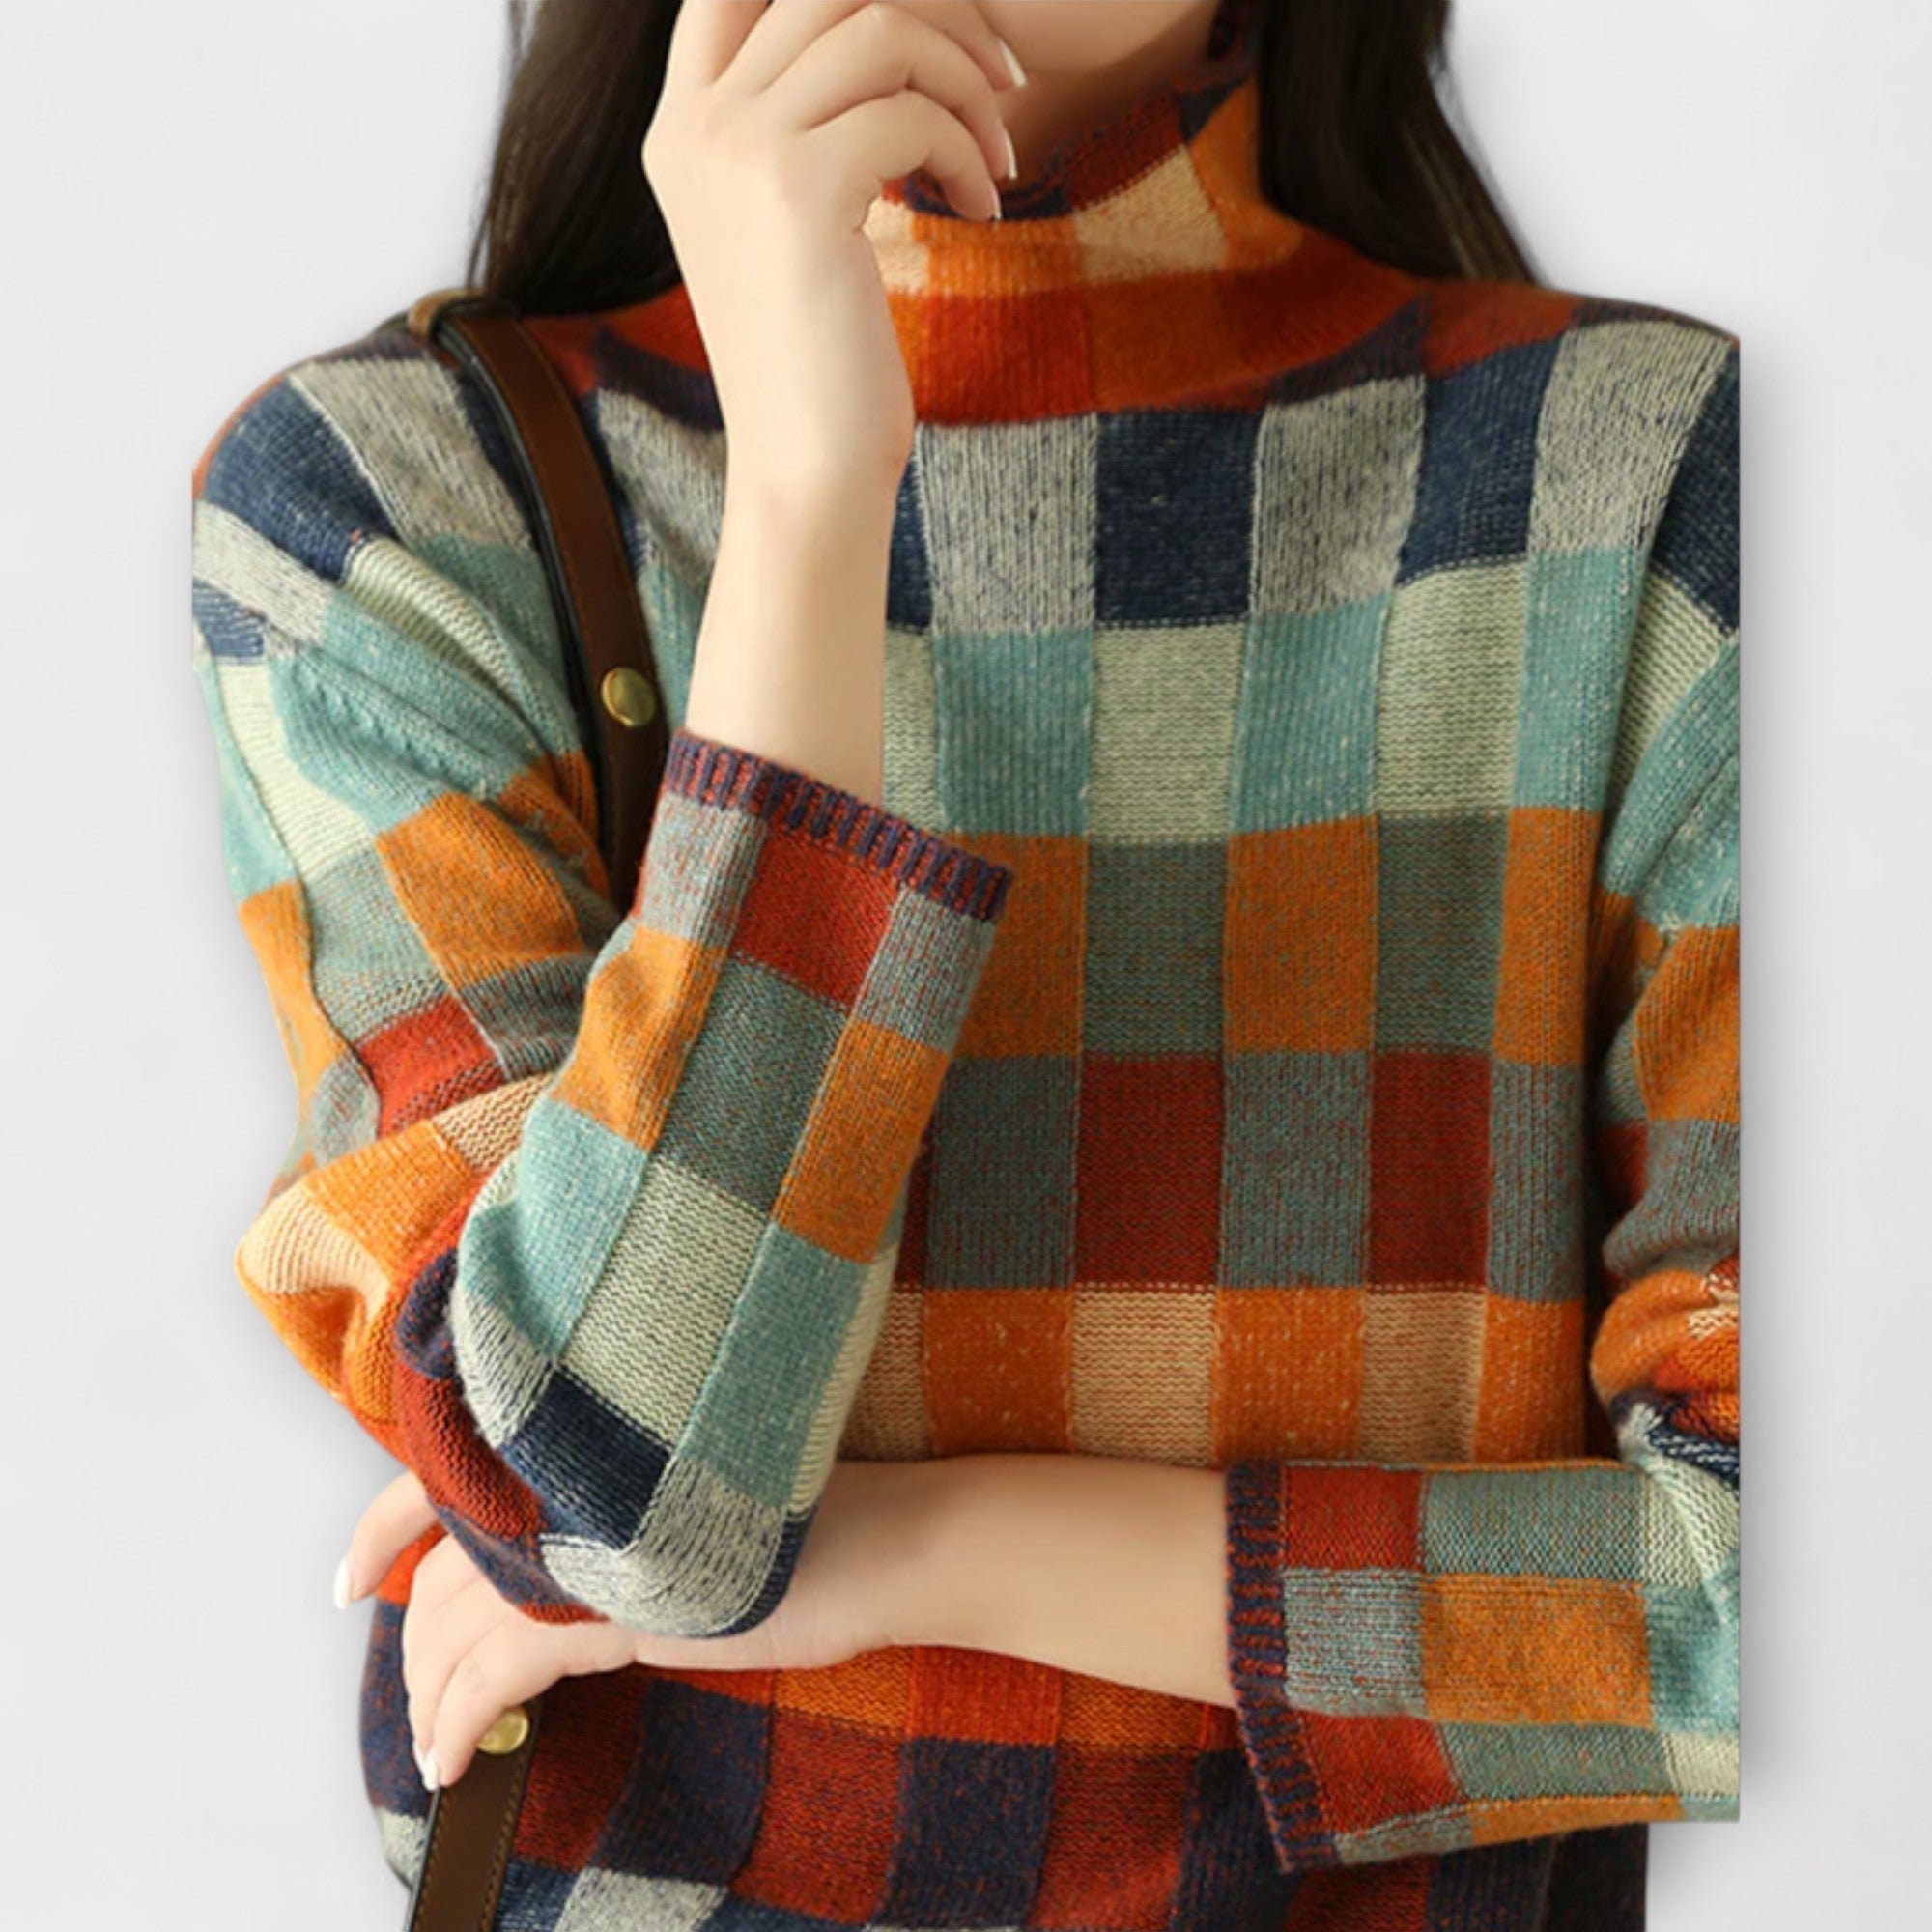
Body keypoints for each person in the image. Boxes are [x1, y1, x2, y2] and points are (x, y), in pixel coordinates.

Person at [187, 0, 1740, 1924]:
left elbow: (1767, 1612)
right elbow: (620, 1501)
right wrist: (809, 492)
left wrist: (893, 1556)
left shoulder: (1635, 474)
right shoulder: (391, 501)